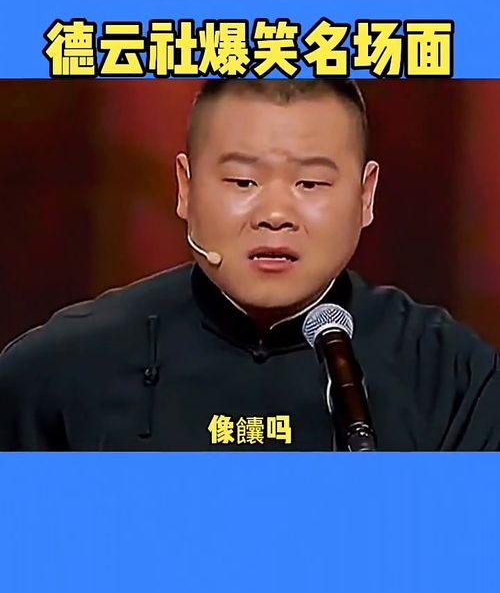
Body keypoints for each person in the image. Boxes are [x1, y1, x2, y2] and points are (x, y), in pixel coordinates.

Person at [0, 79, 498, 451]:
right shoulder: (57, 371)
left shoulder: (450, 375)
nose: (275, 215)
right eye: (242, 182)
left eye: (311, 184)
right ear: (185, 188)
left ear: (366, 196)